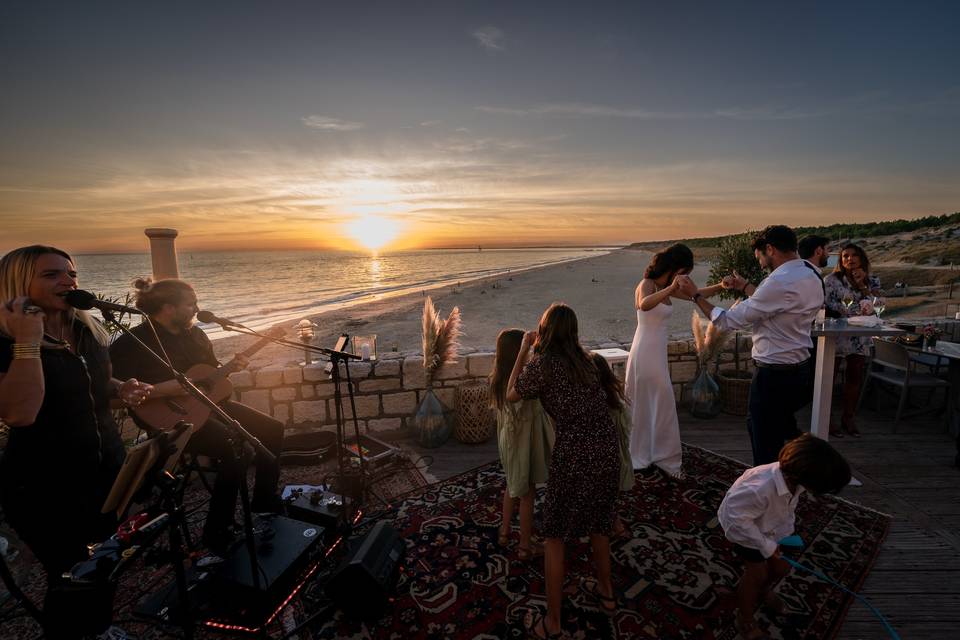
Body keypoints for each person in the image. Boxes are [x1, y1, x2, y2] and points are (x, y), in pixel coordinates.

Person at [0, 245, 152, 638]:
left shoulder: (85, 330)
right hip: (45, 488)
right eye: (51, 275)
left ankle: (99, 629)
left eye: (71, 274)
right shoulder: (8, 342)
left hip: (106, 472)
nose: (68, 281)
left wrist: (122, 387)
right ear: (18, 285)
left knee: (105, 561)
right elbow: (20, 413)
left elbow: (95, 383)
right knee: (71, 579)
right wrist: (27, 339)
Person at [109, 278, 284, 552]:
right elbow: (111, 389)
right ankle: (217, 531)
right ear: (168, 308)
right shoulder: (133, 342)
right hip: (169, 420)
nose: (196, 309)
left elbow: (209, 374)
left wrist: (232, 367)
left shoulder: (196, 335)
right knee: (234, 446)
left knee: (273, 428)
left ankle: (264, 500)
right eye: (190, 304)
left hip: (206, 405)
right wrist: (160, 391)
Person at [507, 303, 620, 639]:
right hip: (606, 448)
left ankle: (554, 622)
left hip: (574, 454)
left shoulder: (543, 365)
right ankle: (607, 593)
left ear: (545, 330)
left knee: (554, 536)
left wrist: (523, 350)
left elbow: (512, 393)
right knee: (600, 523)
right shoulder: (586, 362)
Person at [678, 225, 824, 465]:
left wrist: (695, 295)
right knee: (780, 428)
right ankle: (795, 470)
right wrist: (744, 286)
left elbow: (726, 321)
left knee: (764, 439)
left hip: (773, 375)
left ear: (770, 249)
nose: (758, 261)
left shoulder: (779, 281)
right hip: (800, 369)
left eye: (759, 255)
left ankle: (770, 488)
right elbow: (776, 305)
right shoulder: (812, 273)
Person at [718, 434, 851, 639]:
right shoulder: (760, 488)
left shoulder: (794, 481)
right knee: (757, 574)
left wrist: (782, 537)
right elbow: (737, 520)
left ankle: (763, 592)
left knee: (781, 567)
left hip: (768, 527)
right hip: (745, 532)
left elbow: (787, 508)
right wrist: (766, 546)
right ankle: (744, 617)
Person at [626, 243, 725, 476]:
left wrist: (721, 286)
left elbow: (697, 295)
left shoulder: (667, 287)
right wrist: (671, 289)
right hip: (644, 351)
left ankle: (658, 453)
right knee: (653, 400)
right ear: (676, 268)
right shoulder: (647, 284)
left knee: (658, 401)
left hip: (656, 351)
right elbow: (644, 304)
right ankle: (646, 453)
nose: (686, 278)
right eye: (685, 273)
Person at [488, 329, 555, 560]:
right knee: (527, 494)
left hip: (510, 441)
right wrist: (526, 350)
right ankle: (525, 547)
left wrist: (532, 346)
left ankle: (505, 532)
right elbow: (517, 389)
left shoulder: (498, 377)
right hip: (522, 442)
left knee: (512, 484)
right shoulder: (517, 382)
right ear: (517, 353)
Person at [823, 243, 882, 438]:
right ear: (840, 260)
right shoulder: (831, 280)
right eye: (845, 256)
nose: (850, 259)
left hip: (860, 335)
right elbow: (827, 306)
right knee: (828, 378)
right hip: (837, 334)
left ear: (861, 258)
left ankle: (848, 418)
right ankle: (826, 418)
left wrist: (863, 286)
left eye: (854, 255)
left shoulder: (872, 281)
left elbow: (878, 307)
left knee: (855, 377)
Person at [592, 352, 634, 539]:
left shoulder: (594, 405)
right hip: (612, 457)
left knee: (601, 491)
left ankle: (611, 519)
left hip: (599, 457)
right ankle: (612, 520)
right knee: (607, 491)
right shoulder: (616, 405)